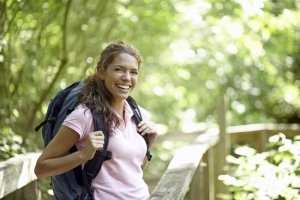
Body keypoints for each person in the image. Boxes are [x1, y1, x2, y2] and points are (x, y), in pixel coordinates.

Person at [34, 41, 157, 200]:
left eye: (133, 72)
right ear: (101, 72)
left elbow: (133, 170)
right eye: (119, 69)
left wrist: (149, 143)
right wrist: (83, 155)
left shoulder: (139, 114)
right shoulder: (84, 116)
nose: (127, 78)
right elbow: (41, 169)